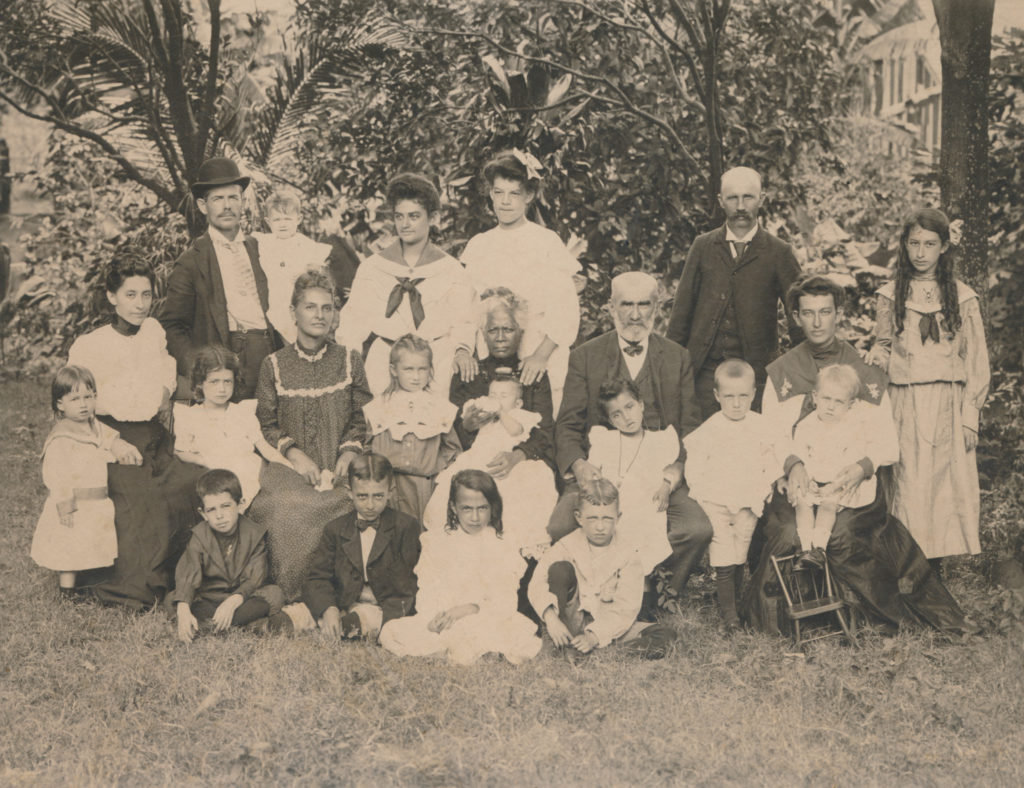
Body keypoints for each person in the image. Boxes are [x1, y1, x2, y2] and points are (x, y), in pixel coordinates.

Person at [740, 275, 978, 635]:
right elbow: (770, 437)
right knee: (790, 530)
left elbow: (886, 442)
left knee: (843, 533)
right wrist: (793, 465)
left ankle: (864, 615)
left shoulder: (864, 371)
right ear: (796, 318)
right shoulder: (781, 374)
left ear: (839, 315)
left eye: (825, 312)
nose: (817, 322)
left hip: (853, 486)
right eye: (808, 313)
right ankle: (797, 619)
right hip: (799, 483)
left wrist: (860, 466)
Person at [549, 271, 711, 613]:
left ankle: (655, 593)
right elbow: (567, 425)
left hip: (658, 474)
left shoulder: (677, 356)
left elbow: (690, 428)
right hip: (601, 471)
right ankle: (586, 597)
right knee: (561, 526)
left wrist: (676, 470)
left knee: (695, 529)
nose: (635, 315)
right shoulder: (586, 356)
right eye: (626, 304)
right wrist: (579, 466)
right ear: (611, 308)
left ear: (658, 307)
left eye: (644, 304)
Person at [68, 256, 205, 608]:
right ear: (112, 296)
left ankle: (186, 575)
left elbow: (165, 370)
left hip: (154, 436)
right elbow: (76, 410)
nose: (140, 304)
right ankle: (136, 586)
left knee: (189, 482)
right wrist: (112, 442)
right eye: (130, 295)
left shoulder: (154, 332)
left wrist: (162, 392)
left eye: (146, 295)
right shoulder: (90, 345)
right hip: (108, 439)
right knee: (145, 499)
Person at [868, 208, 990, 570]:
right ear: (905, 246)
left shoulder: (963, 297)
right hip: (905, 400)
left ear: (944, 247)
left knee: (943, 485)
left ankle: (935, 573)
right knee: (907, 483)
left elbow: (976, 359)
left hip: (948, 403)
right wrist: (877, 353)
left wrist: (971, 416)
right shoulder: (891, 295)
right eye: (914, 244)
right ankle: (908, 567)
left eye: (930, 244)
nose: (921, 253)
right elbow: (884, 346)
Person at [249, 271, 372, 600]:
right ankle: (293, 593)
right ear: (294, 313)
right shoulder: (273, 364)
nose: (320, 315)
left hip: (340, 462)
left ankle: (342, 592)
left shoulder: (349, 360)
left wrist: (348, 451)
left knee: (351, 500)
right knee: (285, 505)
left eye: (327, 308)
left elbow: (362, 415)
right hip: (289, 467)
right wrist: (293, 454)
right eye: (310, 307)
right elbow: (266, 421)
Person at [666, 166, 803, 418]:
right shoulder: (702, 247)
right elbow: (680, 315)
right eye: (732, 198)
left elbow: (800, 316)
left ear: (761, 199)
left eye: (748, 197)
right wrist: (673, 373)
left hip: (754, 378)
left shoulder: (778, 252)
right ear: (720, 201)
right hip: (703, 376)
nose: (740, 206)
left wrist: (802, 369)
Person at [379, 470, 542, 665]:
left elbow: (505, 600)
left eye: (482, 508)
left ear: (492, 507)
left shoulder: (502, 543)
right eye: (467, 509)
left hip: (485, 617)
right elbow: (428, 587)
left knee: (510, 636)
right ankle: (456, 652)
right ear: (454, 508)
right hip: (446, 617)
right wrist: (434, 617)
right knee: (391, 631)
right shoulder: (437, 541)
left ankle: (464, 652)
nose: (475, 517)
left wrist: (471, 608)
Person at [461, 149, 581, 410]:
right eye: (498, 192)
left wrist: (540, 355)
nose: (505, 202)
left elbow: (565, 309)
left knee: (538, 421)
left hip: (538, 350)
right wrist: (464, 350)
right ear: (490, 193)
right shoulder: (479, 245)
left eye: (514, 193)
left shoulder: (546, 242)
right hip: (492, 352)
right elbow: (466, 308)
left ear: (528, 196)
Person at [337, 173, 476, 397]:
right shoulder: (373, 268)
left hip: (435, 361)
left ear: (432, 218)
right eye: (399, 217)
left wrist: (462, 349)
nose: (405, 224)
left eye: (414, 216)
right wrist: (350, 360)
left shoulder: (451, 270)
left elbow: (465, 320)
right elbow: (353, 320)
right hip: (385, 362)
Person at [160, 157, 278, 400]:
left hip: (270, 353)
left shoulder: (262, 249)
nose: (227, 206)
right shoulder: (192, 261)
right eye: (218, 199)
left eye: (233, 197)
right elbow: (172, 326)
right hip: (226, 358)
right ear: (203, 206)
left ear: (243, 202)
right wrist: (199, 370)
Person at [530, 479, 681, 658]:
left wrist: (594, 635)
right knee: (559, 570)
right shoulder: (566, 545)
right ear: (578, 517)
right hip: (570, 621)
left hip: (608, 623)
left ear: (618, 517)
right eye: (592, 518)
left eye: (607, 518)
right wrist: (551, 618)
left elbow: (627, 606)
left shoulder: (628, 553)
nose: (600, 527)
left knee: (666, 636)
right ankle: (565, 643)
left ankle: (602, 653)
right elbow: (537, 582)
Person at [683, 359, 779, 632]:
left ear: (753, 394)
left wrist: (766, 486)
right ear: (716, 396)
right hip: (718, 500)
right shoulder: (712, 428)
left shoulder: (760, 425)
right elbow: (695, 465)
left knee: (740, 550)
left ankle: (734, 603)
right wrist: (704, 495)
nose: (736, 404)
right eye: (728, 397)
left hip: (748, 500)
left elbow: (770, 459)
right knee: (723, 551)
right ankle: (730, 617)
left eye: (743, 396)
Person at [30, 366, 141, 598]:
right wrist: (65, 504)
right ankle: (67, 590)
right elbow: (56, 474)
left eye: (88, 397)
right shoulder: (62, 436)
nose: (83, 404)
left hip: (96, 500)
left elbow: (109, 437)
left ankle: (89, 580)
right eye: (75, 399)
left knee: (90, 543)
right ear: (61, 404)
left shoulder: (93, 425)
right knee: (70, 548)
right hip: (76, 502)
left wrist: (123, 446)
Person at [425, 372, 556, 556]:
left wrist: (501, 412)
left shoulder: (519, 415)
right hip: (479, 459)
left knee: (513, 497)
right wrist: (475, 415)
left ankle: (507, 546)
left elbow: (516, 430)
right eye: (493, 395)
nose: (497, 399)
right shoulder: (488, 418)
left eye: (504, 396)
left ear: (518, 403)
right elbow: (469, 427)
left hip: (507, 461)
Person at [301, 453, 421, 641]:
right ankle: (316, 621)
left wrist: (391, 621)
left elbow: (408, 586)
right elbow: (318, 576)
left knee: (362, 621)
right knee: (302, 614)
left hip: (380, 606)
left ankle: (346, 627)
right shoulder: (335, 529)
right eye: (362, 497)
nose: (370, 505)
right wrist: (329, 608)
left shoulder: (406, 527)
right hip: (342, 600)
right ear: (349, 493)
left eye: (378, 496)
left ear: (390, 491)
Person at [790, 364, 897, 567]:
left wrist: (832, 485)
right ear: (815, 397)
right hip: (814, 480)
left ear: (851, 404)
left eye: (838, 402)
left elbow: (850, 464)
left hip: (839, 482)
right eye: (826, 399)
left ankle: (819, 550)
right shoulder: (807, 425)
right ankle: (805, 550)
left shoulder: (852, 428)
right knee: (802, 502)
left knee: (828, 505)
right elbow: (801, 454)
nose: (830, 407)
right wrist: (808, 479)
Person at [171, 469, 289, 643]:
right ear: (203, 513)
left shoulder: (254, 534)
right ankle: (252, 626)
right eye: (211, 510)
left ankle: (211, 628)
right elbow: (188, 575)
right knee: (176, 602)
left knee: (274, 594)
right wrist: (183, 610)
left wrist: (232, 602)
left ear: (240, 504)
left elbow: (254, 579)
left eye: (226, 506)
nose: (219, 516)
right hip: (210, 598)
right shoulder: (200, 536)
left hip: (243, 599)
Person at [448, 288, 556, 477]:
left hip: (523, 462)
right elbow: (452, 430)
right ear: (482, 332)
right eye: (492, 330)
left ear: (520, 331)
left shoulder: (532, 373)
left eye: (508, 329)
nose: (500, 338)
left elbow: (545, 431)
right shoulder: (468, 373)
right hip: (477, 464)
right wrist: (467, 426)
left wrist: (517, 456)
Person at [173, 345, 288, 508]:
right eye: (214, 382)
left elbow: (263, 447)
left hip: (249, 471)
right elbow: (180, 452)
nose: (222, 389)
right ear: (200, 383)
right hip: (213, 473)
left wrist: (288, 466)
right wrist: (204, 460)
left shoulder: (243, 412)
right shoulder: (191, 416)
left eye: (227, 381)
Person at [586, 376, 679, 576]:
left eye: (630, 407)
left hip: (646, 501)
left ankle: (639, 581)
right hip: (613, 501)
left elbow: (673, 469)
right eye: (617, 415)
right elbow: (593, 472)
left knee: (643, 523)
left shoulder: (660, 440)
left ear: (641, 405)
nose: (627, 418)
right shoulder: (605, 439)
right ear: (610, 420)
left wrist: (665, 486)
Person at [363, 334, 461, 519]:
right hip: (387, 485)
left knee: (420, 532)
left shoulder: (439, 407)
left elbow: (452, 450)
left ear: (430, 369)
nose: (416, 377)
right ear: (394, 370)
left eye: (422, 369)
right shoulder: (380, 406)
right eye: (408, 369)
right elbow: (367, 445)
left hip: (423, 487)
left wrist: (436, 472)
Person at [252, 187, 342, 345]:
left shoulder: (304, 245)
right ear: (268, 222)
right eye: (277, 220)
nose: (282, 224)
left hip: (298, 301)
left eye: (287, 219)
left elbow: (318, 268)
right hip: (275, 302)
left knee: (304, 340)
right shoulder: (265, 243)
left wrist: (306, 270)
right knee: (283, 344)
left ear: (298, 219)